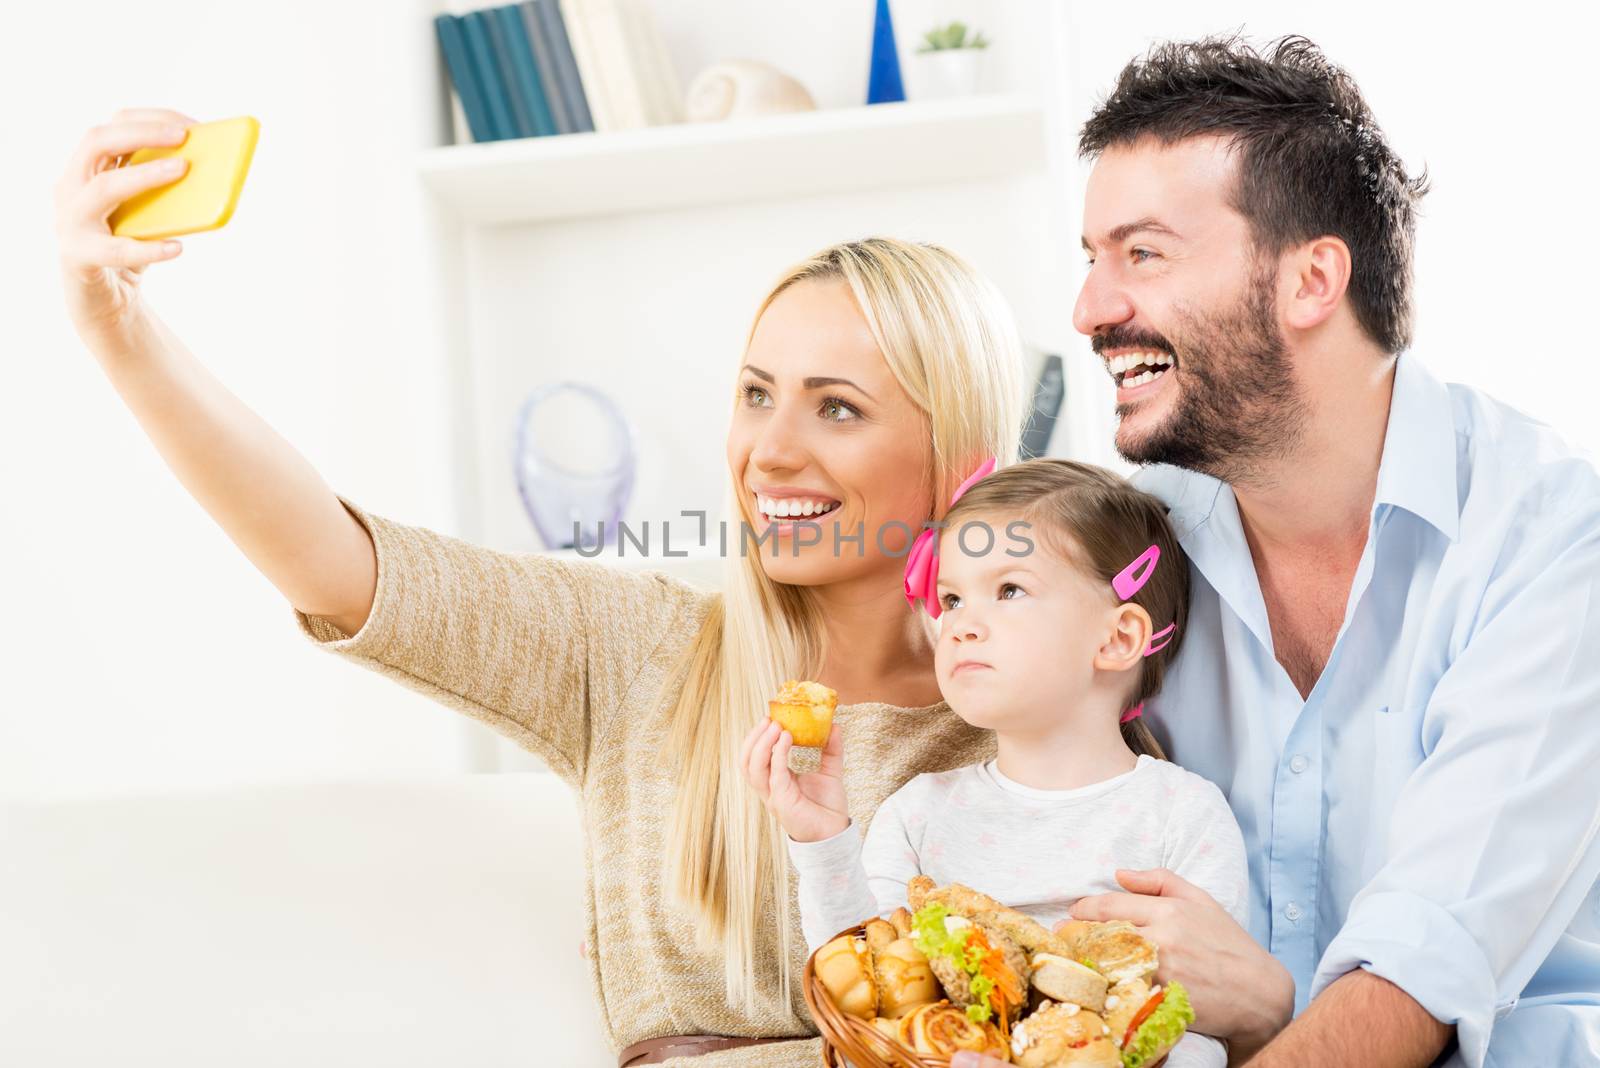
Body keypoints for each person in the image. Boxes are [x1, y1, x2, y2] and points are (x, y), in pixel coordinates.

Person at [53, 114, 1034, 1067]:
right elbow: (333, 559)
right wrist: (118, 328)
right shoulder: (639, 652)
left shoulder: (1040, 715)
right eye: (755, 394)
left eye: (837, 408)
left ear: (958, 458)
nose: (770, 452)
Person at [956, 32, 1600, 1068]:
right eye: (1090, 260)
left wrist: (1267, 1008)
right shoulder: (1129, 543)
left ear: (1310, 281)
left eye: (1142, 254)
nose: (1089, 309)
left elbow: (1419, 968)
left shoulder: (1553, 539)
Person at [745, 457, 1249, 1067]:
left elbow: (1198, 1027)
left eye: (1009, 590)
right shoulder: (920, 813)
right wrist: (822, 835)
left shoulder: (1181, 814)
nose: (959, 626)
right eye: (951, 598)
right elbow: (867, 990)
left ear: (1116, 639)